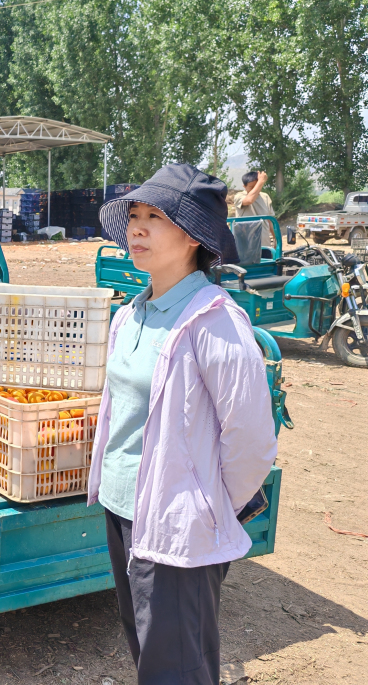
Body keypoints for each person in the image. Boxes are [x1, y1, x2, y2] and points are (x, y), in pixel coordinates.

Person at [95, 163, 278, 685]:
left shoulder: (215, 321)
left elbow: (251, 441)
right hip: (122, 508)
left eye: (155, 217)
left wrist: (204, 504)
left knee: (177, 667)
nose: (137, 228)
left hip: (178, 523)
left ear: (194, 235)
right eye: (134, 215)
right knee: (146, 647)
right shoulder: (131, 314)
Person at [233, 170, 274, 247]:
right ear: (244, 186)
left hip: (264, 244)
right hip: (246, 245)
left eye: (257, 185)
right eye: (252, 187)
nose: (256, 188)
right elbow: (249, 200)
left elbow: (270, 221)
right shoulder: (239, 196)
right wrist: (261, 182)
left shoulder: (265, 197)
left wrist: (276, 239)